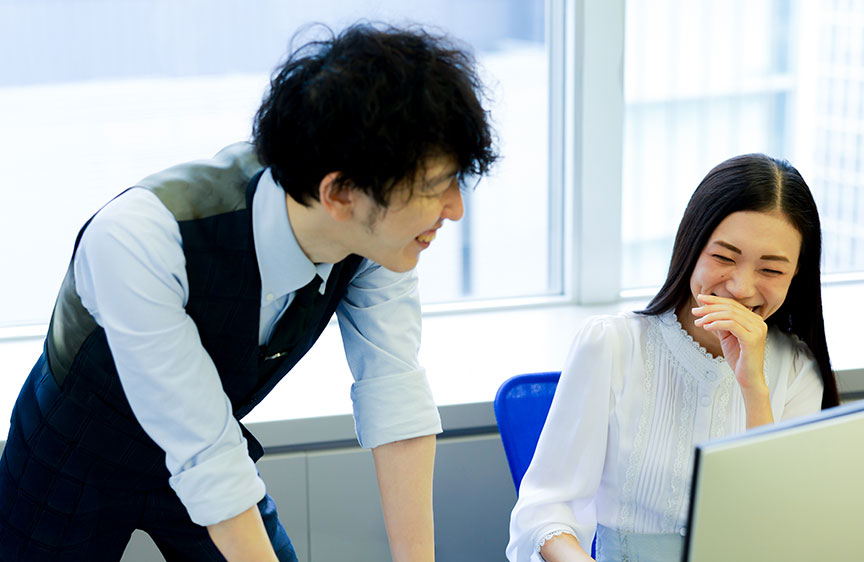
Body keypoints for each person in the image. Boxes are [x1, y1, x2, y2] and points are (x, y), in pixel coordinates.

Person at [0, 23, 496, 561]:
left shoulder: (378, 235)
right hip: (74, 455)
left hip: (215, 448)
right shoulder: (138, 238)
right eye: (433, 187)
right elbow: (205, 456)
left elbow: (394, 389)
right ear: (340, 192)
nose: (454, 209)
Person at [506, 154, 840, 562]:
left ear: (796, 276)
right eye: (724, 257)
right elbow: (543, 511)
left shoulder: (796, 368)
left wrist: (755, 387)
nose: (741, 287)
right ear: (691, 247)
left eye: (771, 270)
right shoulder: (612, 344)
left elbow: (780, 532)